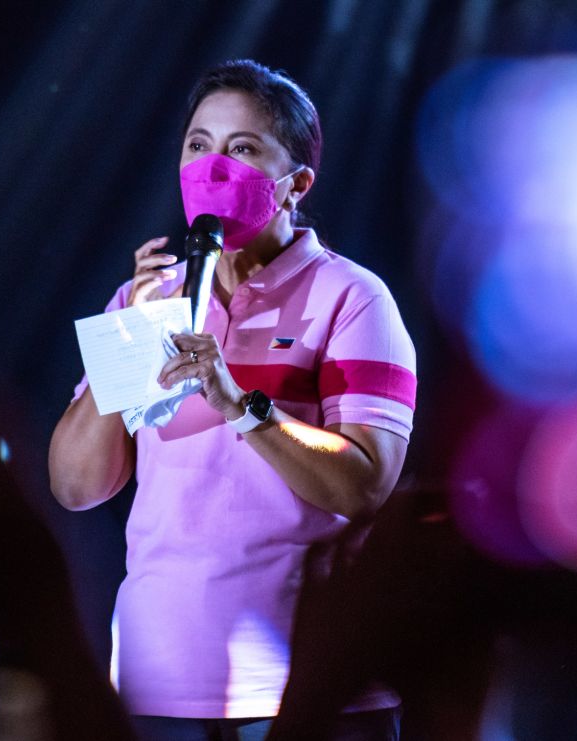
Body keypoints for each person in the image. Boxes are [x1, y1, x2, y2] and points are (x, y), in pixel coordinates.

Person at [49, 59, 417, 740]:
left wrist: (241, 403)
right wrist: (128, 341)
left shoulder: (354, 298)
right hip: (155, 685)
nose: (212, 166)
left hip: (310, 689)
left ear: (295, 184)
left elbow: (364, 484)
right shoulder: (143, 300)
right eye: (198, 145)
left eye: (242, 149)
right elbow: (75, 485)